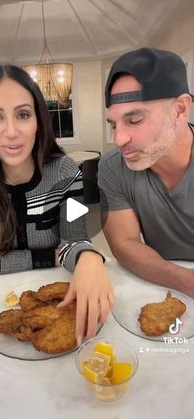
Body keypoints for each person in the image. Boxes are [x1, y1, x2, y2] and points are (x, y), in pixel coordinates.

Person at [0, 64, 115, 343]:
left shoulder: (67, 173)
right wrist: (54, 255)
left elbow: (74, 239)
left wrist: (87, 256)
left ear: (39, 120)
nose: (11, 131)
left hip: (57, 298)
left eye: (23, 114)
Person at [98, 47, 194, 296]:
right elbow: (124, 243)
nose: (119, 139)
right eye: (114, 124)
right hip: (163, 287)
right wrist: (184, 280)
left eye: (135, 120)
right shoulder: (112, 167)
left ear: (180, 109)